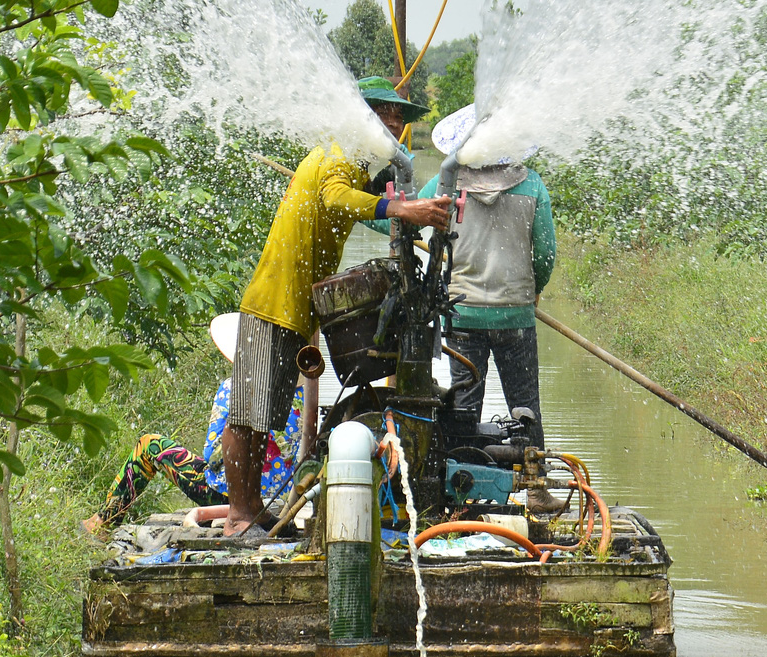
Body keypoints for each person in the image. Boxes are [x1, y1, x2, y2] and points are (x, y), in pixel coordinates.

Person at [222, 76, 449, 540]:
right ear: (359, 117)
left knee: (265, 414)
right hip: (272, 302)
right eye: (383, 116)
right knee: (248, 416)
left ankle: (253, 509)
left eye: (398, 120)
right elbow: (336, 199)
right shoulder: (339, 153)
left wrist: (403, 205)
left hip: (292, 307)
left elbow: (360, 200)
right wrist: (401, 211)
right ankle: (238, 514)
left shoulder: (355, 160)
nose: (392, 127)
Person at [417, 104, 557, 456]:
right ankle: (535, 486)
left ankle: (461, 485)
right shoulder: (532, 185)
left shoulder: (444, 185)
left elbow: (402, 219)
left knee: (463, 408)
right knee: (525, 407)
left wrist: (367, 206)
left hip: (462, 315)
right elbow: (545, 254)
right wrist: (533, 290)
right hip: (516, 316)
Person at [82, 376, 305, 536]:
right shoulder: (303, 398)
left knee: (149, 445)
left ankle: (102, 523)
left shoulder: (233, 387)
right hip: (277, 499)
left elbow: (213, 456)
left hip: (227, 495)